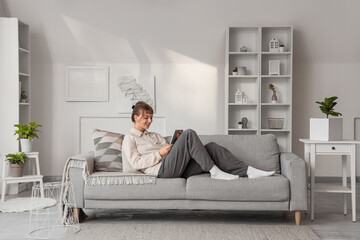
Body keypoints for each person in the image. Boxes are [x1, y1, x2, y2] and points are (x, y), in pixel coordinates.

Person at [122, 101, 275, 180]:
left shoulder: (154, 135)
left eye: (151, 118)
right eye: (145, 118)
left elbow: (171, 150)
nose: (149, 121)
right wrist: (159, 154)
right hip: (162, 171)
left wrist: (175, 143)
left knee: (212, 147)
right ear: (136, 117)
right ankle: (214, 171)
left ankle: (248, 171)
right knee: (189, 133)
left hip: (177, 166)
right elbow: (135, 163)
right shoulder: (130, 139)